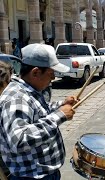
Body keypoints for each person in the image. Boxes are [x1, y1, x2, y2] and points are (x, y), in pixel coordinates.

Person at [0, 43, 77, 179]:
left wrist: (61, 104)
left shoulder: (29, 89)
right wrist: (59, 116)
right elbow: (19, 140)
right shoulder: (16, 98)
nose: (53, 78)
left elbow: (39, 112)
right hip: (32, 176)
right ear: (35, 72)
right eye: (50, 73)